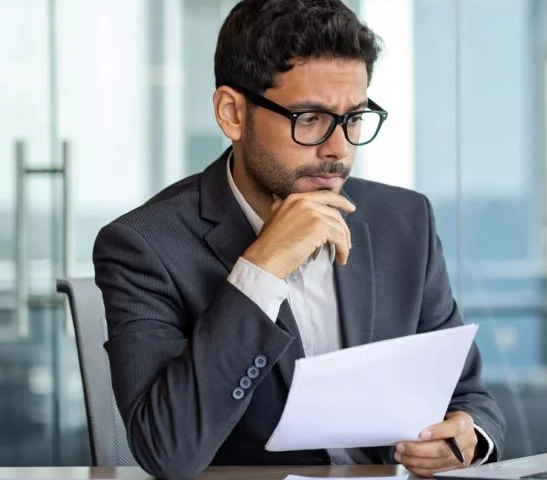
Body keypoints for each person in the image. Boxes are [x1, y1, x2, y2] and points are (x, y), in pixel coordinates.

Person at [92, 0, 505, 479]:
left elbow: (467, 394)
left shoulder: (403, 220)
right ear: (232, 113)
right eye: (309, 118)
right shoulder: (144, 246)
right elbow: (167, 451)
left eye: (354, 118)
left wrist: (467, 436)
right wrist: (260, 270)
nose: (339, 149)